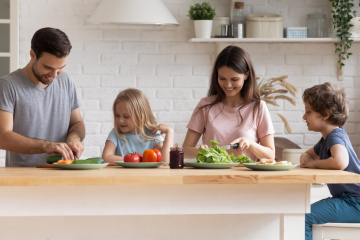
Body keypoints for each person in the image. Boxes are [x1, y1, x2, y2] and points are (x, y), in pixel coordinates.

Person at [0, 27, 85, 167]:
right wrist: (46, 146)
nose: (54, 75)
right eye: (48, 67)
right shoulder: (8, 85)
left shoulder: (66, 81)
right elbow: (2, 137)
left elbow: (77, 123)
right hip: (24, 178)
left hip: (63, 174)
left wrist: (74, 137)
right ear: (32, 54)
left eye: (60, 68)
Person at [183, 45, 275, 161]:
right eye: (222, 78)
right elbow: (185, 150)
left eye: (234, 79)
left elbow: (271, 155)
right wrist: (199, 151)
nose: (228, 85)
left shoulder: (258, 107)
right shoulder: (205, 105)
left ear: (246, 75)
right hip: (211, 176)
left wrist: (250, 144)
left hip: (245, 177)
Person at [300, 82, 360, 240]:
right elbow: (306, 155)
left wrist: (313, 164)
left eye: (308, 112)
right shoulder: (326, 139)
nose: (304, 117)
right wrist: (308, 160)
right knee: (302, 213)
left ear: (325, 114)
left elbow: (340, 162)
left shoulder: (335, 135)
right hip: (349, 200)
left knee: (303, 217)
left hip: (355, 203)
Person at [102, 88, 173, 165]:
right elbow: (106, 158)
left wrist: (170, 132)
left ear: (141, 116)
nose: (120, 121)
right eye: (117, 115)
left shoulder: (152, 134)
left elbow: (164, 161)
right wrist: (137, 160)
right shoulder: (116, 133)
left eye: (126, 116)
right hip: (121, 176)